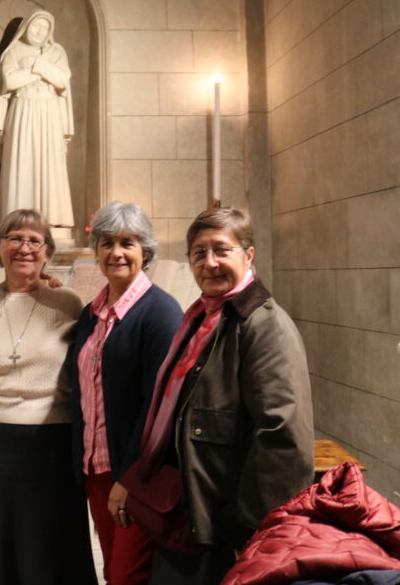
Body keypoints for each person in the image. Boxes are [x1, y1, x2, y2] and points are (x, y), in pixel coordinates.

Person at [133, 207, 314, 584]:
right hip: (191, 511)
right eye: (199, 253)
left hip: (227, 523)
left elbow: (281, 438)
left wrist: (253, 532)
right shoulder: (202, 317)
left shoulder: (263, 325)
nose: (210, 262)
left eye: (221, 250)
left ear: (249, 255)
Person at [0, 209, 97, 585]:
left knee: (49, 546)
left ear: (48, 252)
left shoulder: (68, 302)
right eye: (15, 238)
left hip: (52, 443)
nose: (25, 248)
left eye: (35, 241)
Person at [66, 202, 183, 585]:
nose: (116, 252)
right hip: (96, 469)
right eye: (107, 243)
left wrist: (129, 479)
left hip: (135, 475)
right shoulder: (91, 314)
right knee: (112, 568)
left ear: (145, 251)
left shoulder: (160, 312)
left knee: (127, 575)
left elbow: (159, 405)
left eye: (127, 243)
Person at [0, 10, 75, 233]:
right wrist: (41, 72)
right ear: (27, 27)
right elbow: (10, 81)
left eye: (45, 28)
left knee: (50, 161)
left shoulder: (57, 51)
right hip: (22, 110)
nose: (40, 32)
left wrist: (37, 65)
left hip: (49, 112)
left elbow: (62, 80)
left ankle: (52, 218)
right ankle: (17, 220)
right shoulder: (13, 51)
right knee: (22, 159)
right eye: (36, 26)